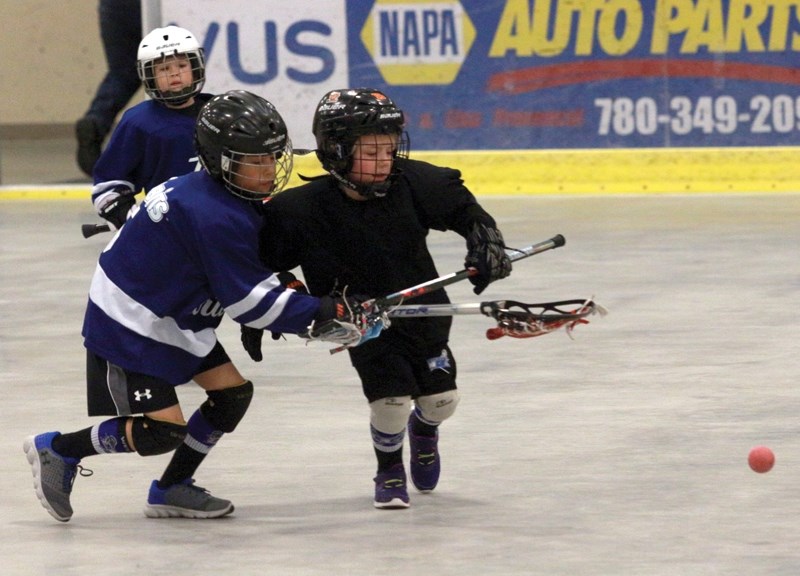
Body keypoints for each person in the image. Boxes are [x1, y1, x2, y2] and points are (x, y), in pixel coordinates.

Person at [24, 90, 372, 523]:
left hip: (174, 312)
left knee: (231, 396)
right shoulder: (212, 212)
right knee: (161, 431)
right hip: (131, 322)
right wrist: (317, 313)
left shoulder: (222, 195)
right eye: (254, 161)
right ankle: (58, 450)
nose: (268, 171)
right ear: (219, 159)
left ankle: (170, 489)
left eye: (271, 158)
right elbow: (247, 303)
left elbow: (246, 268)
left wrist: (290, 290)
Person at [254, 88, 512, 509]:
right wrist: (282, 296)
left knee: (441, 402)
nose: (384, 161)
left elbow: (464, 209)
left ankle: (424, 431)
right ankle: (389, 467)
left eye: (390, 149)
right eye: (370, 152)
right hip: (360, 322)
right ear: (335, 151)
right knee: (390, 403)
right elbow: (261, 262)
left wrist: (484, 239)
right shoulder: (297, 211)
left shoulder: (412, 182)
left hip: (425, 316)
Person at [89, 25, 212, 231]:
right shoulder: (139, 123)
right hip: (170, 228)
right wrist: (125, 214)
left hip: (218, 221)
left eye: (182, 66)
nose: (174, 75)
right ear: (149, 76)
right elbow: (109, 184)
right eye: (164, 69)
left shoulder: (219, 112)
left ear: (195, 68)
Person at [76, 0, 143, 176]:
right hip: (155, 6)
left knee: (122, 74)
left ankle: (96, 120)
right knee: (173, 69)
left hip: (114, 6)